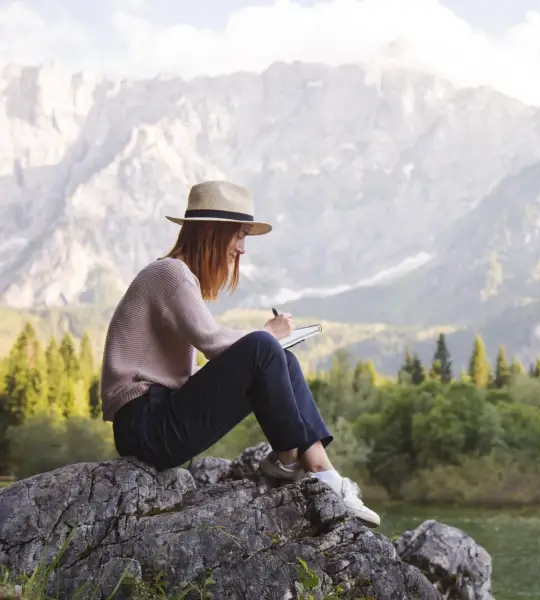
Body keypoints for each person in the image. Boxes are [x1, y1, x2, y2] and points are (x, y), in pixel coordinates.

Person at [100, 180, 380, 528]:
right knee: (265, 348)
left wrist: (268, 345)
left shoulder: (174, 276)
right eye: (239, 236)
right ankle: (297, 463)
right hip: (145, 425)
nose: (242, 249)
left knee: (282, 358)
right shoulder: (169, 274)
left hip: (156, 421)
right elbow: (213, 341)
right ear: (214, 233)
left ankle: (320, 471)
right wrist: (267, 334)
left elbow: (212, 358)